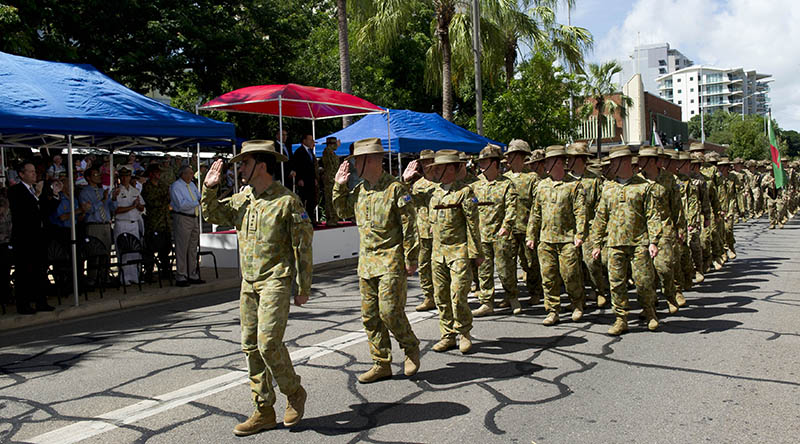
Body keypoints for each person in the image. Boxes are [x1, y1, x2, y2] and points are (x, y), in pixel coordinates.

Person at [202, 140, 311, 436]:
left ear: (261, 166)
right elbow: (212, 215)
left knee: (268, 343)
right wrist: (209, 188)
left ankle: (294, 392)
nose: (240, 169)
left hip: (276, 279)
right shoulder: (242, 199)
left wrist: (303, 285)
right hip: (248, 282)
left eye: (245, 163)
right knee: (250, 346)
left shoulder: (287, 201)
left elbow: (302, 245)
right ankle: (263, 410)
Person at [333, 137, 421, 383]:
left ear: (370, 160)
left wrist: (411, 257)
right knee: (370, 316)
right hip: (367, 263)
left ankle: (410, 346)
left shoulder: (395, 189)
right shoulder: (359, 190)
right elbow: (341, 212)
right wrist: (339, 186)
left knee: (390, 312)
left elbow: (409, 225)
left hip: (391, 260)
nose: (352, 166)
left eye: (356, 160)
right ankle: (381, 362)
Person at [591, 146, 662, 335]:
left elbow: (652, 215)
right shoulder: (608, 188)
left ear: (623, 162)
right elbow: (600, 217)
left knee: (644, 281)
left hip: (639, 242)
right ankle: (621, 319)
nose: (611, 166)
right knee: (616, 283)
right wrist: (596, 243)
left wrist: (654, 240)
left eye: (614, 162)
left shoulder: (643, 186)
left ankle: (650, 312)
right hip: (614, 243)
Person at [426, 150, 482, 354]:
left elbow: (473, 224)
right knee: (441, 296)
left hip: (459, 251)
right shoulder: (435, 193)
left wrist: (476, 253)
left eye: (440, 167)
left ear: (451, 168)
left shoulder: (465, 192)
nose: (437, 171)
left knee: (458, 295)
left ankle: (464, 333)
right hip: (437, 252)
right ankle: (447, 335)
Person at [526, 145, 586, 326]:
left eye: (550, 161)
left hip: (567, 239)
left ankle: (577, 304)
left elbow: (580, 212)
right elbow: (535, 213)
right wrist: (531, 235)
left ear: (559, 162)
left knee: (570, 275)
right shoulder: (542, 186)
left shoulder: (574, 185)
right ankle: (553, 310)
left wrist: (580, 234)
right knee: (548, 276)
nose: (546, 165)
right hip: (546, 240)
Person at [471, 144, 521, 317]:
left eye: (484, 161)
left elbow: (512, 208)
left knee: (505, 269)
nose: (481, 164)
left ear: (494, 162)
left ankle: (512, 297)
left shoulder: (507, 184)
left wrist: (506, 226)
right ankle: (486, 302)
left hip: (501, 235)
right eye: (480, 161)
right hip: (481, 235)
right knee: (484, 270)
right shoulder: (475, 184)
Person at [8, 160, 55, 314]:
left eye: (35, 171)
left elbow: (45, 211)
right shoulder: (16, 191)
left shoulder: (36, 191)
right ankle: (24, 304)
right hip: (24, 238)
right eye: (30, 171)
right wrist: (37, 196)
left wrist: (54, 195)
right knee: (24, 272)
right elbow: (23, 212)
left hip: (39, 237)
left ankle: (41, 301)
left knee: (40, 270)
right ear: (22, 174)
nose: (34, 174)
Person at [566, 142, 608, 308]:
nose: (569, 161)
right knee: (573, 265)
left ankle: (599, 291)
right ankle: (578, 297)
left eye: (573, 158)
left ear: (582, 159)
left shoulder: (594, 180)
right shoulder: (566, 180)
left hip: (589, 227)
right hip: (569, 228)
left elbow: (600, 206)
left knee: (591, 262)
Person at [503, 139, 542, 306]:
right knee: (507, 263)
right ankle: (510, 295)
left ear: (521, 156)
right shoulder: (505, 178)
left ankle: (535, 292)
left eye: (512, 155)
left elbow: (537, 205)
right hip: (509, 228)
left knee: (530, 263)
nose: (509, 159)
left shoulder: (533, 178)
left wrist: (533, 229)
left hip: (527, 227)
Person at [402, 149, 437, 312]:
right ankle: (429, 296)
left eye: (429, 161)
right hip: (421, 231)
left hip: (440, 231)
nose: (426, 165)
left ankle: (445, 295)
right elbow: (404, 202)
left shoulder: (441, 183)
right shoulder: (417, 184)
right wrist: (406, 182)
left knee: (441, 266)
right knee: (424, 266)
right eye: (423, 162)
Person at [79, 165, 118, 289]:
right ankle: (92, 279)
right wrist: (102, 200)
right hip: (94, 225)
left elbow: (112, 208)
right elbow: (89, 210)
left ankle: (104, 277)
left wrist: (114, 198)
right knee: (94, 253)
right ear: (88, 178)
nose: (99, 177)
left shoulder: (102, 191)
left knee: (105, 253)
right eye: (95, 175)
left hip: (105, 224)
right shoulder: (85, 193)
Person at [170, 165, 202, 287]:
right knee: (182, 247)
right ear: (183, 174)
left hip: (194, 217)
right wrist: (196, 203)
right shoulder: (176, 186)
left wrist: (199, 201)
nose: (191, 175)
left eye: (192, 173)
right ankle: (181, 275)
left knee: (193, 247)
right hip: (183, 217)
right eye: (189, 173)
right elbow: (181, 204)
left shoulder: (192, 185)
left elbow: (198, 197)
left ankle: (192, 274)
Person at [114, 165, 146, 285]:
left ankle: (135, 276)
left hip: (134, 223)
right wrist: (132, 206)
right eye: (123, 176)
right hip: (122, 223)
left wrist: (137, 205)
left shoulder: (135, 191)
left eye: (127, 176)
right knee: (123, 251)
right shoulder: (116, 191)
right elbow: (116, 209)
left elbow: (142, 207)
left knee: (135, 251)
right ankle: (124, 278)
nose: (125, 178)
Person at [141, 164, 172, 281]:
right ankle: (149, 272)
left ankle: (165, 271)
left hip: (165, 222)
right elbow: (151, 202)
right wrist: (163, 200)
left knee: (165, 250)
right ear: (151, 174)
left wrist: (163, 200)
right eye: (157, 172)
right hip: (154, 223)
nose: (159, 174)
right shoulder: (147, 187)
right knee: (151, 249)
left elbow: (168, 199)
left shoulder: (163, 186)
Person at [291, 134, 319, 222]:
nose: (312, 142)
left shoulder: (310, 151)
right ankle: (303, 219)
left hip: (310, 180)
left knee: (312, 200)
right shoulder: (299, 152)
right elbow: (296, 166)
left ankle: (311, 219)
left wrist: (315, 178)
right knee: (302, 202)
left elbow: (312, 167)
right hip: (303, 181)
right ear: (304, 141)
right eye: (310, 140)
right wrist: (299, 179)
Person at [320, 137, 341, 226]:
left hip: (333, 178)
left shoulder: (331, 152)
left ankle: (334, 218)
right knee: (329, 199)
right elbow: (330, 166)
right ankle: (331, 219)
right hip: (330, 179)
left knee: (333, 198)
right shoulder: (327, 152)